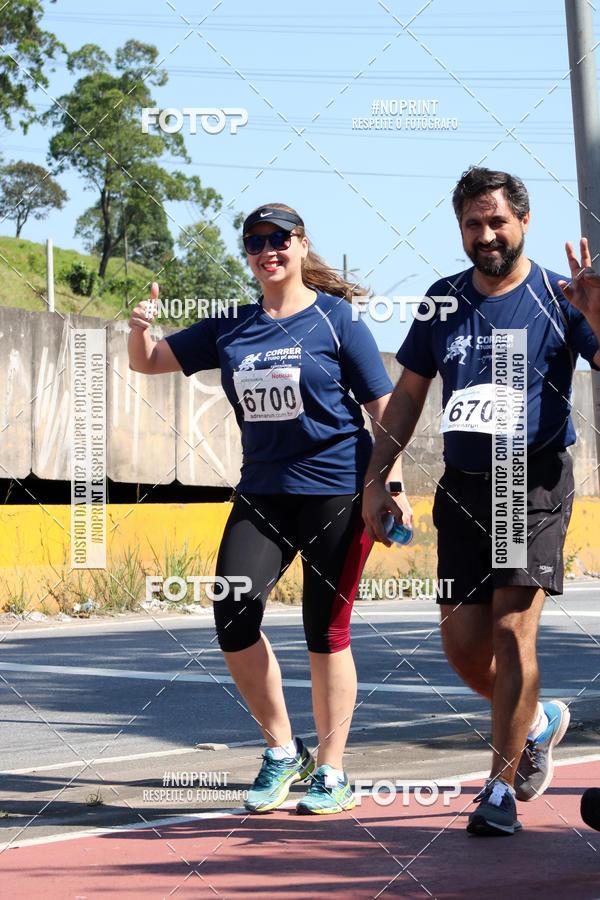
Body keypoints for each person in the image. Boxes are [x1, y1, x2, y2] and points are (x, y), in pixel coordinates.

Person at [128, 203, 411, 815]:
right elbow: (147, 362)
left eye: (278, 239)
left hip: (338, 494)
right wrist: (139, 327)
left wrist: (387, 484)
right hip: (263, 493)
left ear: (302, 245)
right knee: (231, 610)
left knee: (325, 633)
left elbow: (385, 409)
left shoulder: (339, 323)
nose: (266, 250)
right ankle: (283, 751)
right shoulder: (232, 326)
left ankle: (332, 773)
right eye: (255, 243)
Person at [362, 167, 600, 836]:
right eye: (473, 223)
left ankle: (498, 789)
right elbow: (407, 395)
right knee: (464, 646)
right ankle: (540, 719)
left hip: (531, 480)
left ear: (523, 223)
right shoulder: (443, 300)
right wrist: (378, 475)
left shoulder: (562, 294)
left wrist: (597, 312)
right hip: (465, 486)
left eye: (497, 221)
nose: (486, 234)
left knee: (509, 630)